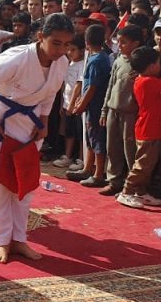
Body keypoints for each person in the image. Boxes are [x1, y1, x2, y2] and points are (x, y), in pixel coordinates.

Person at [0, 13, 73, 264]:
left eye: (67, 44)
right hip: (1, 120)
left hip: (31, 123)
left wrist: (44, 121)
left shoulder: (61, 62)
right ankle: (1, 240)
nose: (61, 50)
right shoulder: (17, 57)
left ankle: (18, 238)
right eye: (56, 43)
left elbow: (51, 93)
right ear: (41, 37)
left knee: (24, 182)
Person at [116, 47, 161, 208]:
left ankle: (140, 192)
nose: (160, 65)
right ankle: (126, 191)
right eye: (158, 63)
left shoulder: (146, 80)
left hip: (152, 128)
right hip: (148, 129)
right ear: (151, 66)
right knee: (142, 164)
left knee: (148, 165)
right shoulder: (147, 82)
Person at [95, 24, 143, 196]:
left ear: (135, 43)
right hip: (113, 109)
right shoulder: (118, 60)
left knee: (130, 150)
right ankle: (114, 181)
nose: (120, 45)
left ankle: (132, 184)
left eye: (124, 42)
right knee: (112, 148)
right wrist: (104, 110)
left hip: (131, 112)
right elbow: (110, 86)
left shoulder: (140, 64)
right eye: (119, 41)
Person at [67, 24, 111, 188]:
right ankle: (87, 168)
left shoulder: (96, 60)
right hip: (92, 103)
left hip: (95, 105)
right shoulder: (102, 57)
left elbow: (92, 87)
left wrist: (81, 105)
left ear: (86, 42)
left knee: (97, 139)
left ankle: (98, 174)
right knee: (90, 138)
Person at [53, 33, 85, 170]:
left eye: (73, 50)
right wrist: (63, 104)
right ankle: (67, 156)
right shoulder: (69, 63)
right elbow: (65, 85)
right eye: (68, 49)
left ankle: (81, 159)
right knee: (69, 132)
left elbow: (78, 85)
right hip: (67, 104)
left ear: (82, 50)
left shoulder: (82, 65)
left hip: (77, 106)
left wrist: (72, 105)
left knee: (80, 134)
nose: (70, 52)